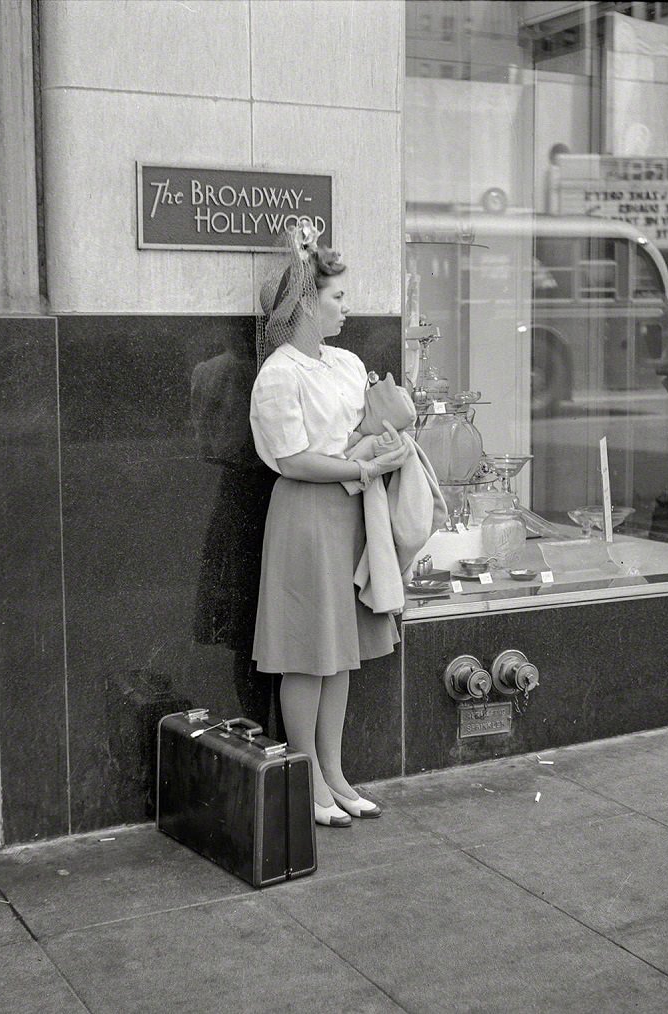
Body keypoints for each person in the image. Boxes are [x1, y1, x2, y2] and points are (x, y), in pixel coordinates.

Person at [249, 220, 409, 828]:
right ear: (307, 303)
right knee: (306, 652)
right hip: (307, 514)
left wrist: (380, 446)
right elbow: (290, 458)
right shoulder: (279, 374)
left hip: (347, 510)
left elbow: (355, 434)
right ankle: (307, 771)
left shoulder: (346, 363)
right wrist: (364, 467)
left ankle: (336, 774)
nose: (347, 307)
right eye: (338, 297)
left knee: (340, 653)